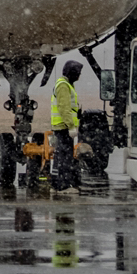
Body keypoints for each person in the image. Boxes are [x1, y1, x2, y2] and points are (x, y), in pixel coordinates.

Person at [50, 60, 83, 190]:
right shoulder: (63, 86)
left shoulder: (66, 85)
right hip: (63, 127)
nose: (79, 76)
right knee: (64, 158)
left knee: (61, 156)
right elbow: (64, 108)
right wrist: (70, 126)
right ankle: (62, 186)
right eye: (78, 73)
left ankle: (58, 184)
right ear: (72, 73)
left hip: (62, 127)